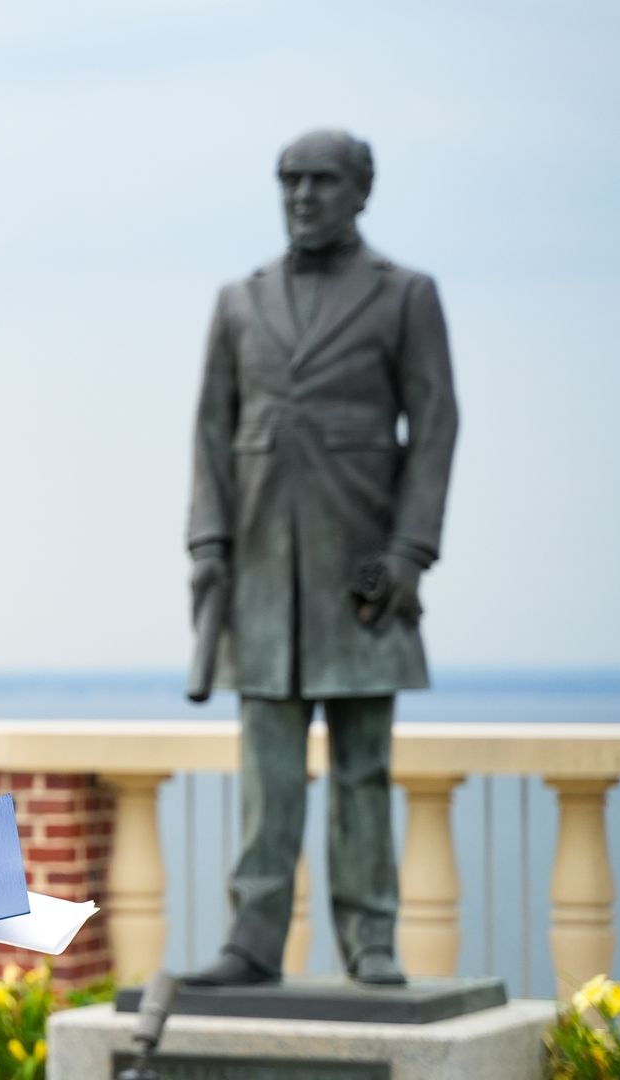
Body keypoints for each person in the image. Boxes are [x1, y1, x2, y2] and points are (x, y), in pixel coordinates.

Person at [184, 129, 459, 988]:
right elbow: (211, 434)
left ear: (360, 191)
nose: (303, 196)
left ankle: (371, 939)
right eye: (290, 181)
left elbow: (436, 425)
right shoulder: (240, 300)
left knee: (364, 773)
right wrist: (207, 545)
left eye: (323, 181)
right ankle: (252, 941)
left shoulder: (405, 295)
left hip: (362, 577)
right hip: (261, 575)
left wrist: (411, 552)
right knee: (266, 776)